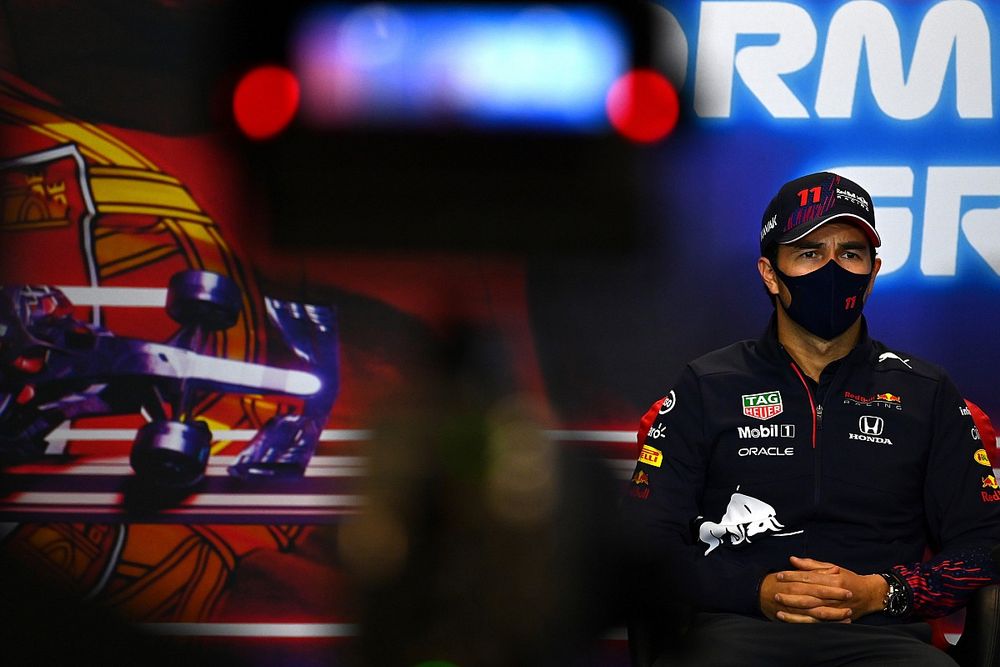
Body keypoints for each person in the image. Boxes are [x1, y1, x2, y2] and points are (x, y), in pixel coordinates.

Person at [621, 171, 1000, 666]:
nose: (833, 268)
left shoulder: (927, 393)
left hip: (886, 639)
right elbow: (645, 540)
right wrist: (753, 590)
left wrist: (883, 592)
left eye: (850, 253)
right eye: (809, 253)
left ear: (872, 272)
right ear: (770, 273)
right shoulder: (706, 385)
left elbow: (987, 543)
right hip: (737, 631)